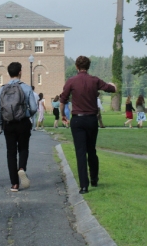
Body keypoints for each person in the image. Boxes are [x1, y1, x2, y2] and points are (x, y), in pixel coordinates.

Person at [60, 56, 116, 194]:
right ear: (88, 66)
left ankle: (84, 186)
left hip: (77, 120)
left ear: (76, 66)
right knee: (91, 150)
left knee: (80, 152)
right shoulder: (95, 80)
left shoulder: (71, 81)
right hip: (91, 119)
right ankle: (94, 178)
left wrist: (63, 115)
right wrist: (113, 84)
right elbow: (111, 89)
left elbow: (63, 99)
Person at [0, 62, 38, 192]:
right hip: (23, 122)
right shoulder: (26, 88)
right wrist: (27, 115)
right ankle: (22, 168)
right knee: (23, 148)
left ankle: (14, 184)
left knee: (11, 153)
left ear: (8, 73)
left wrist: (1, 121)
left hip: (9, 123)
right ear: (20, 72)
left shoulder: (3, 89)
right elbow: (34, 107)